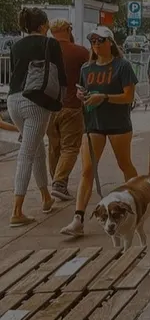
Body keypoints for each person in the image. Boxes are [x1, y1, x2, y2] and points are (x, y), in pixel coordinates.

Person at [60, 26, 139, 237]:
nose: (95, 44)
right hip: (93, 123)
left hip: (118, 123)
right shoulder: (87, 68)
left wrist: (103, 97)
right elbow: (84, 91)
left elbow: (128, 97)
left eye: (100, 40)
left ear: (110, 43)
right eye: (93, 41)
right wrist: (82, 95)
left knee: (125, 164)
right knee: (87, 169)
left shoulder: (122, 66)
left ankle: (138, 201)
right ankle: (78, 219)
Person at [7, 7, 67, 227]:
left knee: (37, 147)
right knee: (27, 153)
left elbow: (14, 73)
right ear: (42, 26)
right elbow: (61, 75)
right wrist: (60, 100)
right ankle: (17, 210)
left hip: (14, 101)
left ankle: (46, 197)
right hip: (36, 101)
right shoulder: (50, 44)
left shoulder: (16, 45)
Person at [46, 19, 90, 201]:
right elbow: (90, 76)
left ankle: (56, 181)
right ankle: (59, 183)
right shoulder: (80, 52)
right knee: (70, 148)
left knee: (54, 147)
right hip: (71, 105)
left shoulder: (44, 50)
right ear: (67, 29)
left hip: (48, 107)